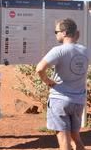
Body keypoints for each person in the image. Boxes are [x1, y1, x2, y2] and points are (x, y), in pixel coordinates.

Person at [36, 18, 89, 150]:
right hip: (79, 100)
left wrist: (48, 82)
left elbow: (39, 68)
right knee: (76, 138)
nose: (56, 34)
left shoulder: (59, 50)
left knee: (64, 140)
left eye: (57, 31)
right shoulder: (86, 50)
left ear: (64, 33)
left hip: (60, 99)